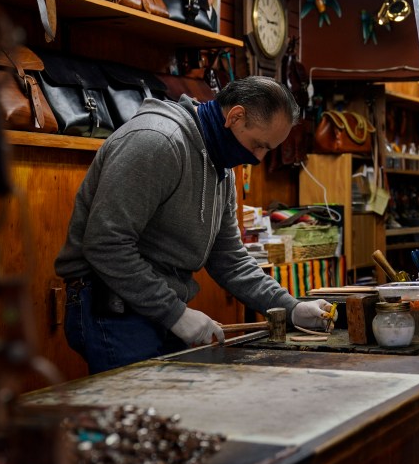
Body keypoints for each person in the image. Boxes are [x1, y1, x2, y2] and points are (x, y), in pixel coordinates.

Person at [55, 76, 332, 374]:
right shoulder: (156, 141)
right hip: (111, 307)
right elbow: (105, 244)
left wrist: (291, 308)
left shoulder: (221, 166)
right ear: (235, 116)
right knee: (140, 417)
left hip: (156, 307)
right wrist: (176, 314)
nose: (258, 159)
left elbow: (230, 260)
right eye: (258, 145)